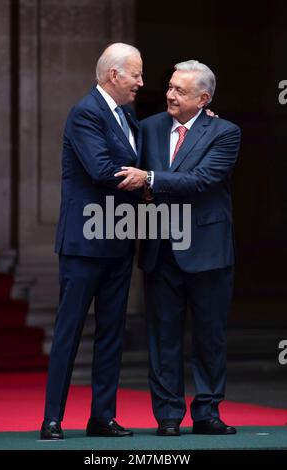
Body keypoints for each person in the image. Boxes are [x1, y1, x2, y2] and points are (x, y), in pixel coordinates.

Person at [115, 60, 241, 436]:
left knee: (209, 336)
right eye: (170, 86)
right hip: (160, 248)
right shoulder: (149, 126)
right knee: (162, 337)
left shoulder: (225, 132)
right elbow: (127, 166)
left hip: (208, 249)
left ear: (203, 99)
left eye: (180, 91)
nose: (169, 94)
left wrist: (152, 179)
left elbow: (202, 180)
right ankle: (168, 415)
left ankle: (207, 412)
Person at [40, 43, 143, 440]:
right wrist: (143, 179)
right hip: (84, 244)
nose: (140, 82)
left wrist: (203, 121)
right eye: (135, 73)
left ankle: (102, 416)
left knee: (112, 332)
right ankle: (52, 418)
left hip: (118, 242)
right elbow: (101, 169)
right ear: (114, 75)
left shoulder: (128, 118)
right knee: (69, 330)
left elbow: (153, 148)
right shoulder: (86, 112)